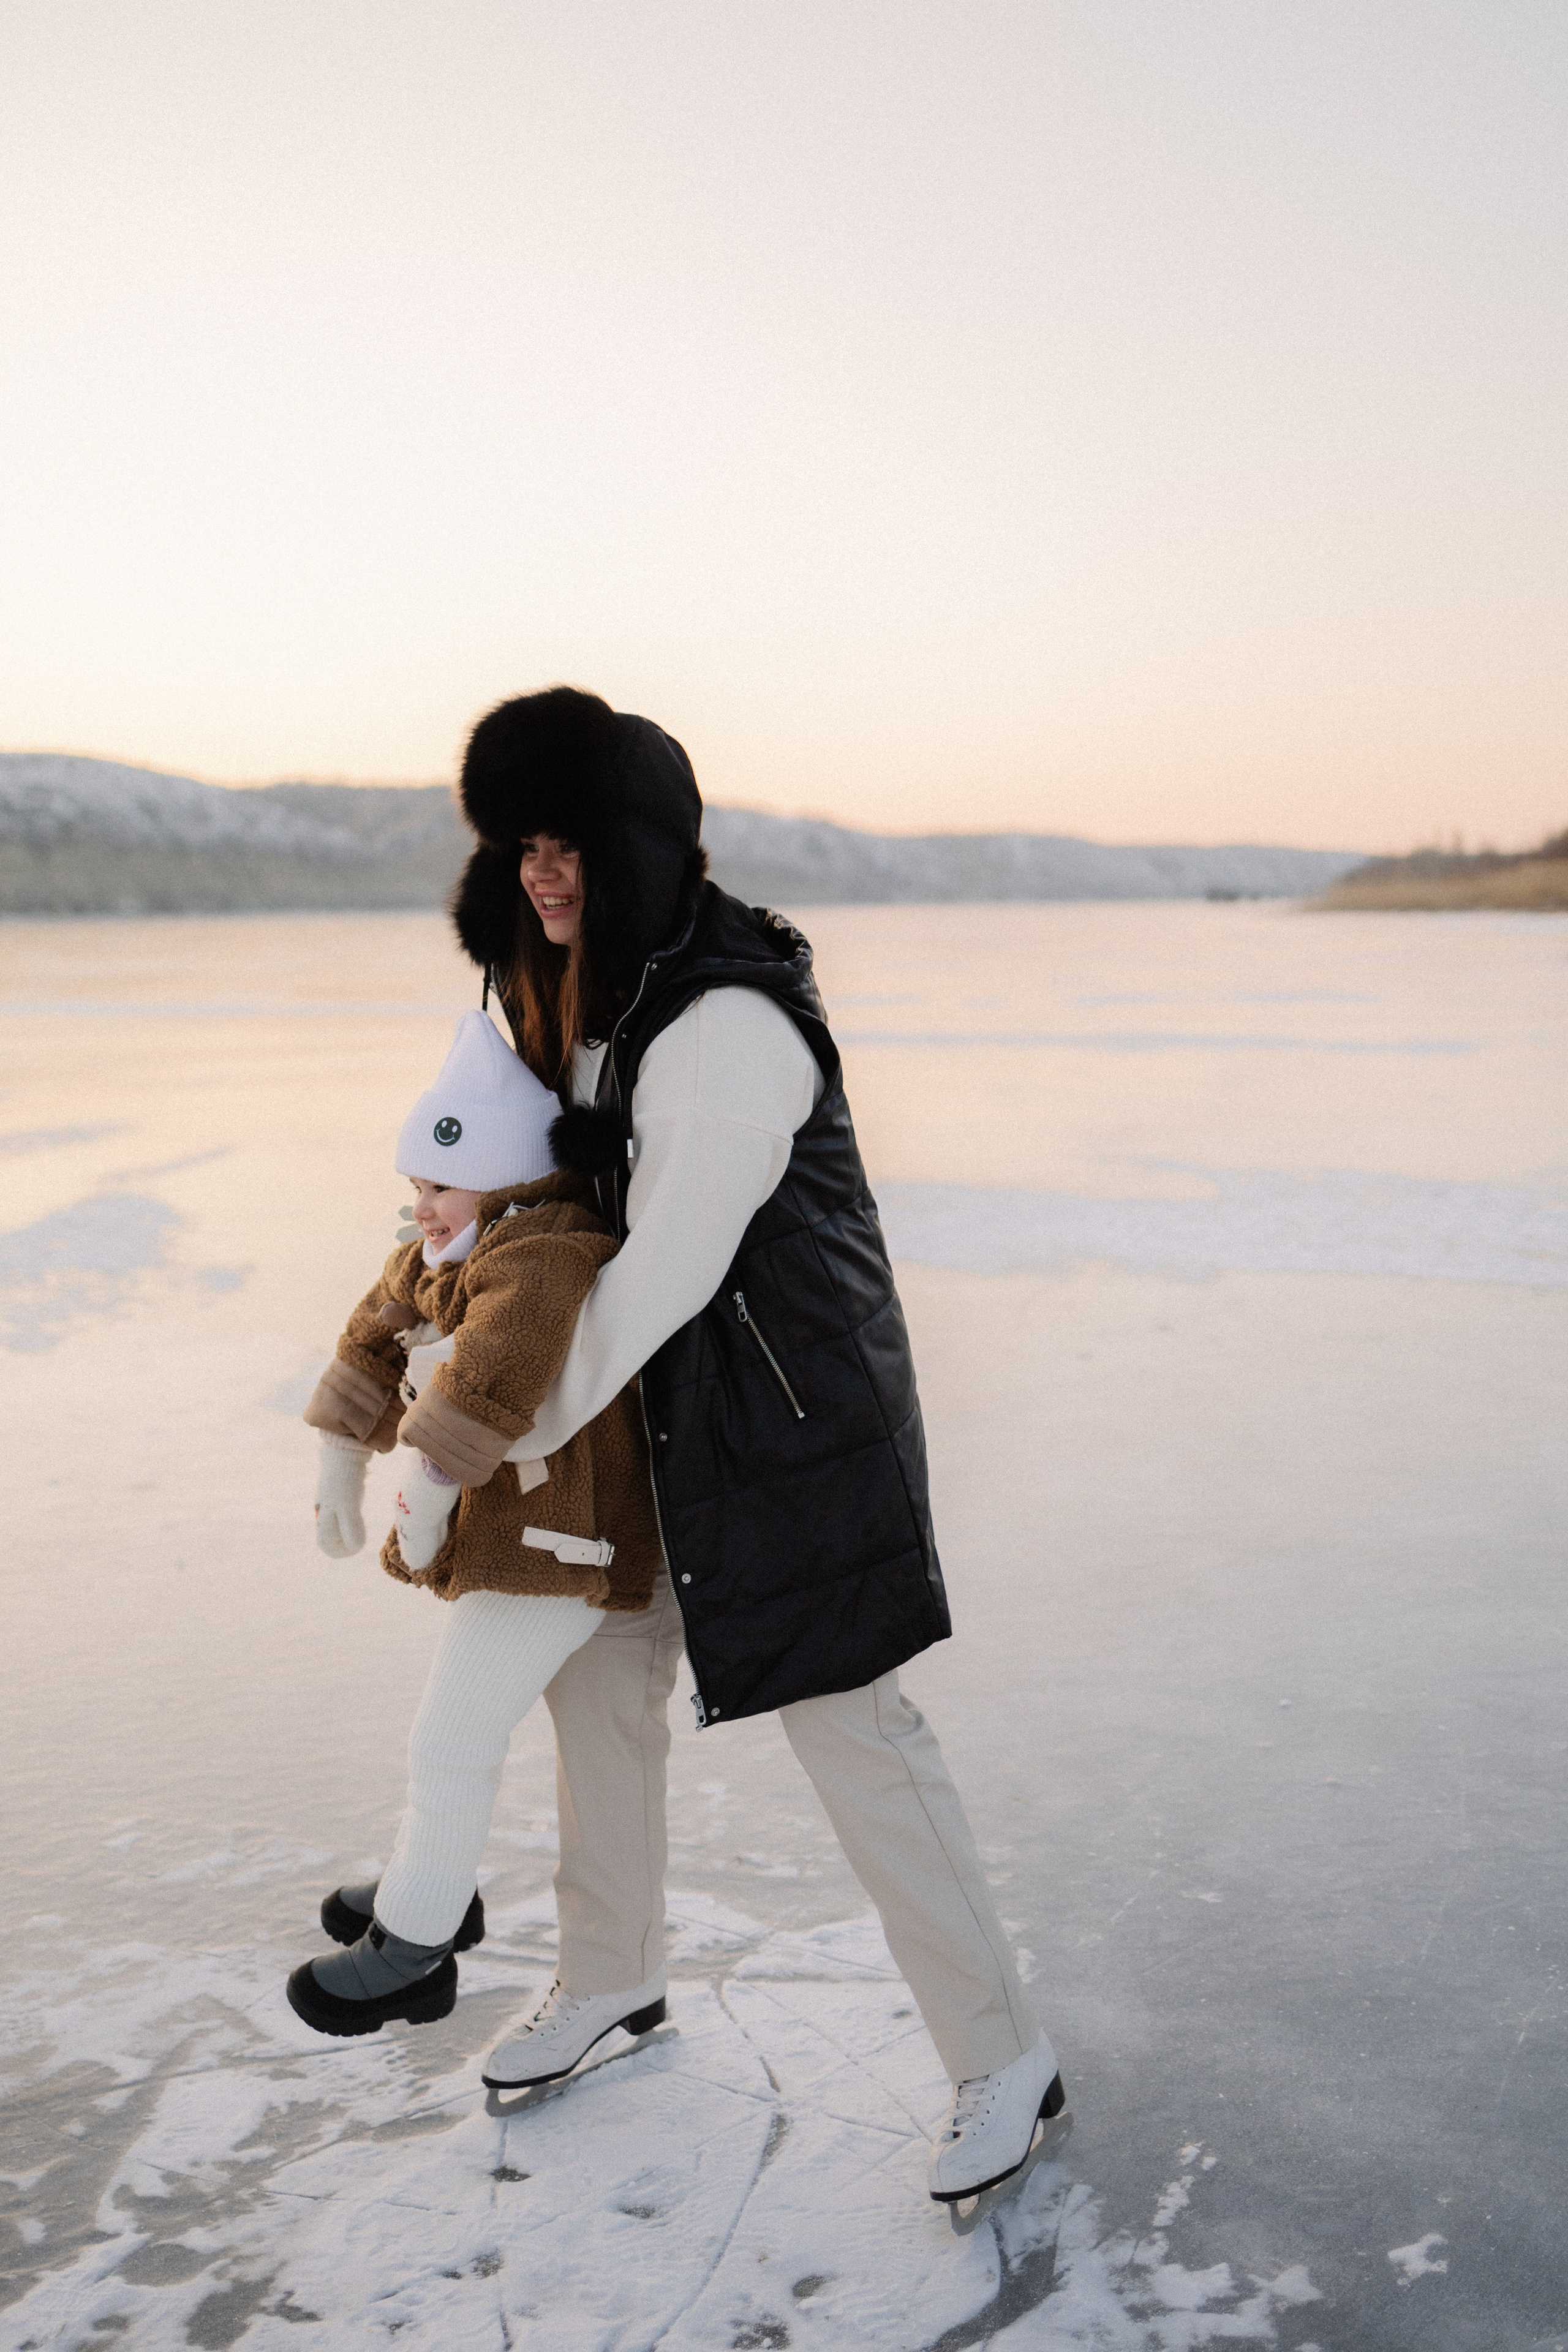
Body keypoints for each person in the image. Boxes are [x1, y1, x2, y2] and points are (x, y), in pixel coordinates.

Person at [439, 685, 1063, 2203]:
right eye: (523, 845)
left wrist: (498, 1430)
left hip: (790, 1429)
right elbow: (546, 1195)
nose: (543, 873)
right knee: (596, 1690)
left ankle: (1003, 2060)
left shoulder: (721, 1019)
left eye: (570, 843)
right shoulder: (588, 992)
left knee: (853, 1730)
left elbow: (662, 1271)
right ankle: (613, 1975)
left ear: (641, 847)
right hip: (646, 1422)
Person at [289, 1008, 663, 2040]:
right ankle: (430, 1883)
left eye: (436, 1188)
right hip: (517, 1538)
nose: (418, 1211)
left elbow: (485, 1383)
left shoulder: (544, 1258)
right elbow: (380, 1324)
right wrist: (337, 1461)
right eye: (413, 1188)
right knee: (446, 1736)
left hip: (559, 1546)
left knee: (451, 1740)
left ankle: (416, 1946)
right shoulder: (458, 1239)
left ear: (501, 1179)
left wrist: (425, 1495)